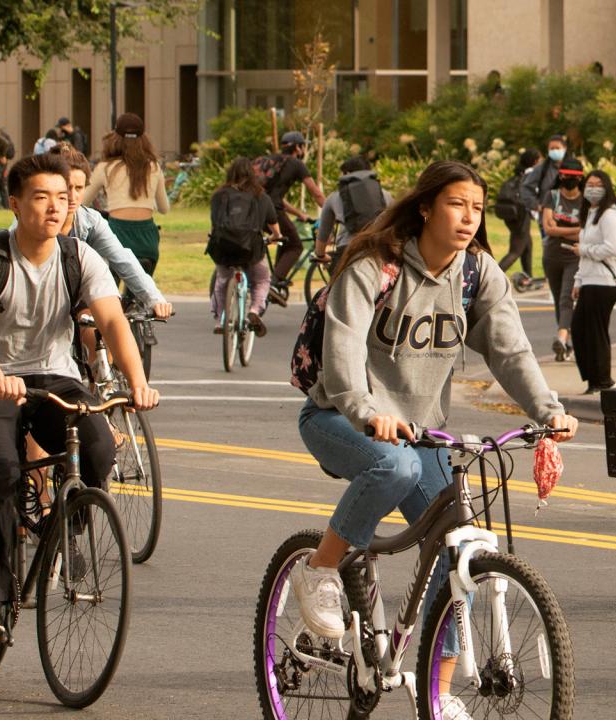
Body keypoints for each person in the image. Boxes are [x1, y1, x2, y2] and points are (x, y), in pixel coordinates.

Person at [293, 160, 577, 718]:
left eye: (477, 207)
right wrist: (366, 410)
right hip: (338, 417)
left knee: (460, 551)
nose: (469, 217)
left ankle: (437, 690)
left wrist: (549, 410)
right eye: (456, 204)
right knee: (394, 468)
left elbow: (511, 351)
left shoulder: (476, 274)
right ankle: (319, 570)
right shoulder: (376, 266)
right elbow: (343, 350)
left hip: (420, 431)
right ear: (426, 206)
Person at [0, 153, 160, 641]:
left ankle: (60, 528)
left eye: (63, 198)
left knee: (100, 449)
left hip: (55, 377)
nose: (54, 207)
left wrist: (137, 383)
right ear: (15, 203)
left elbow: (111, 320)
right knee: (0, 473)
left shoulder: (79, 257)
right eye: (41, 197)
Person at [25, 144, 174, 319]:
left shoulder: (91, 221)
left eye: (79, 188)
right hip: (37, 303)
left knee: (104, 328)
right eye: (66, 188)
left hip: (81, 298)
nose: (72, 196)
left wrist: (155, 299)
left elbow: (122, 258)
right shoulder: (30, 220)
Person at [82, 113, 169, 278]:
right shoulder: (154, 167)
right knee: (141, 291)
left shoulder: (105, 167)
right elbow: (164, 208)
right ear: (144, 138)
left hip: (117, 236)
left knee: (108, 292)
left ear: (115, 138)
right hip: (147, 238)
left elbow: (83, 202)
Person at [208, 157, 282, 335]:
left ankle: (220, 319)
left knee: (222, 281)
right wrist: (276, 237)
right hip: (251, 250)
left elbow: (214, 224)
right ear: (252, 174)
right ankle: (254, 310)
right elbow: (274, 224)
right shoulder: (260, 196)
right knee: (262, 279)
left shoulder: (219, 195)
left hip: (224, 249)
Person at [571, 169, 616, 393]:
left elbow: (612, 248)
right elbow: (585, 253)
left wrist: (583, 250)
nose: (592, 188)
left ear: (606, 187)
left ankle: (603, 380)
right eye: (589, 184)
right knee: (580, 331)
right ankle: (593, 379)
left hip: (604, 282)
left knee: (596, 333)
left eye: (598, 184)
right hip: (588, 281)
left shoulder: (610, 214)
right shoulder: (590, 214)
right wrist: (578, 280)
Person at [264, 130, 327, 305]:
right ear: (298, 147)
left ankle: (275, 280)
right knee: (295, 245)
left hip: (255, 209)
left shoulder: (272, 161)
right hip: (272, 212)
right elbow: (316, 194)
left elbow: (276, 196)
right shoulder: (297, 164)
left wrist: (300, 215)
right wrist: (334, 212)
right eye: (303, 145)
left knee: (284, 238)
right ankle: (275, 283)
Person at [541, 157, 585, 361]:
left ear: (580, 178)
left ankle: (561, 337)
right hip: (551, 256)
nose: (569, 180)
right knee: (560, 300)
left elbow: (585, 234)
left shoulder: (585, 200)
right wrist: (575, 230)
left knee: (567, 297)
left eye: (573, 177)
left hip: (574, 256)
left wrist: (559, 230)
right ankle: (567, 345)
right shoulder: (552, 196)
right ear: (560, 176)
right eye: (566, 175)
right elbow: (547, 228)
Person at [314, 155, 393, 265]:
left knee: (339, 280)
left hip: (347, 251)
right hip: (378, 249)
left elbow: (323, 233)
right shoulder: (386, 195)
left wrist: (320, 255)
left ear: (346, 174)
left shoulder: (334, 197)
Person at [498, 148, 542, 281]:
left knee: (527, 245)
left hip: (512, 214)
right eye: (540, 159)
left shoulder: (519, 174)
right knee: (516, 251)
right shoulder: (531, 174)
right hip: (521, 215)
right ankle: (490, 278)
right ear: (535, 161)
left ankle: (527, 278)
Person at [519, 134, 571, 235]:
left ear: (564, 148)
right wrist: (536, 205)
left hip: (570, 216)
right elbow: (526, 187)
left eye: (557, 148)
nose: (555, 151)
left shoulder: (572, 166)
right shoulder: (542, 168)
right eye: (552, 148)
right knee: (549, 248)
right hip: (547, 218)